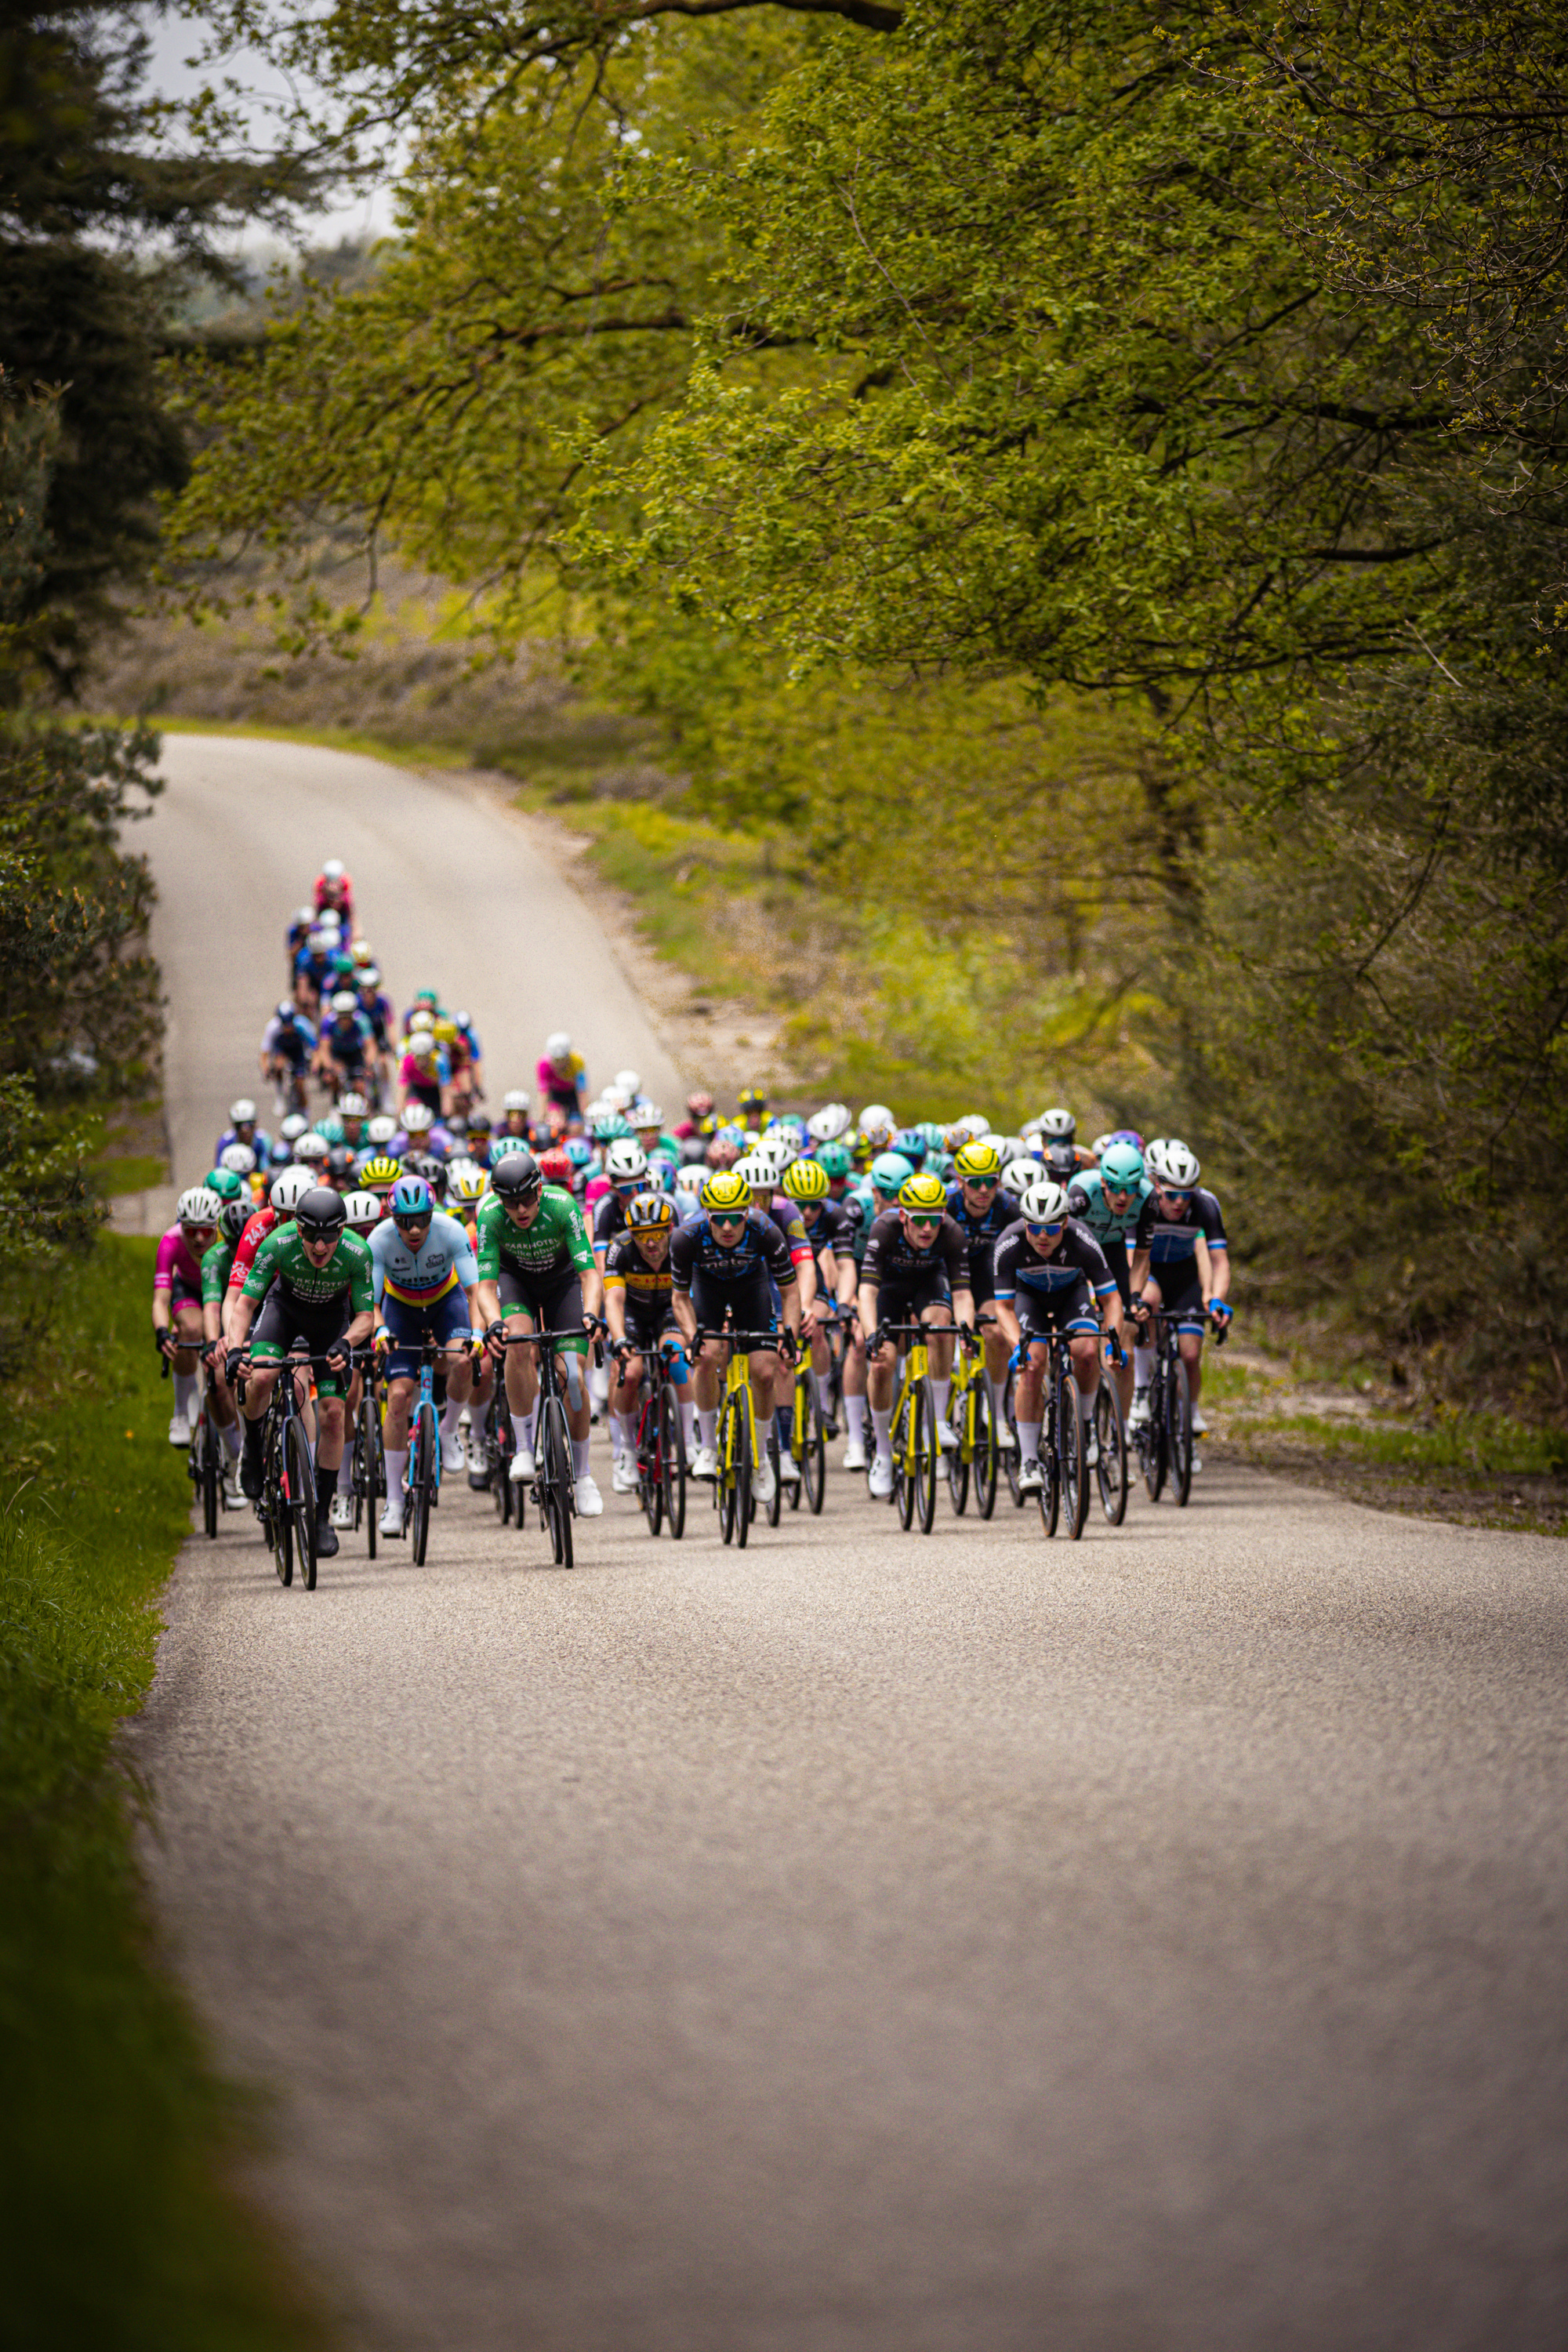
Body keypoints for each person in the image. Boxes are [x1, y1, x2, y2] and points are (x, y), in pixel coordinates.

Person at [228, 1185, 376, 1559]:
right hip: (285, 1310)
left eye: (329, 1237)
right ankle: (254, 1445)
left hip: (331, 1322)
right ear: (297, 1229)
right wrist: (233, 1348)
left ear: (342, 1232)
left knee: (333, 1413)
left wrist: (347, 1341)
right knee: (260, 1377)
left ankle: (321, 1516)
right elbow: (245, 1304)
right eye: (311, 1237)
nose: (321, 1247)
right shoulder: (277, 1244)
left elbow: (365, 1317)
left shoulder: (358, 1253)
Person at [474, 1149, 604, 1516]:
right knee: (516, 1344)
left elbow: (590, 1274)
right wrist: (493, 1321)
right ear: (500, 1200)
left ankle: (583, 1474)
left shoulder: (563, 1207)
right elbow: (485, 1287)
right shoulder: (490, 1217)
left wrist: (592, 1314)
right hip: (517, 1284)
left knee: (573, 1374)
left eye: (527, 1199)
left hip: (562, 1283)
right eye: (511, 1203)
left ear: (540, 1190)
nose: (521, 1210)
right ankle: (525, 1450)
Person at [669, 1168, 801, 1506]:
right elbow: (680, 1299)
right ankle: (710, 1448)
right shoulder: (686, 1236)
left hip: (750, 1288)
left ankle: (763, 1457)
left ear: (747, 1213)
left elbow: (789, 1292)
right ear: (707, 1215)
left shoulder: (766, 1230)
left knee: (766, 1371)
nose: (727, 1227)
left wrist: (789, 1335)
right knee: (708, 1355)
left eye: (735, 1218)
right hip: (707, 1288)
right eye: (719, 1219)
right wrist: (691, 1337)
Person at [368, 1175, 488, 1536]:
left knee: (464, 1360)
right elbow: (370, 1303)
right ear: (393, 1219)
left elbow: (475, 1291)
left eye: (422, 1219)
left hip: (444, 1302)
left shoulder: (450, 1231)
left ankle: (449, 1429)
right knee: (400, 1395)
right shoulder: (379, 1240)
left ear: (432, 1214)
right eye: (406, 1222)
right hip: (400, 1309)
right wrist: (380, 1330)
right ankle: (393, 1500)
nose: (415, 1229)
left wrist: (479, 1333)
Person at [990, 1175, 1123, 1490]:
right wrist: (1016, 1346)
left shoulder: (1082, 1239)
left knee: (1088, 1353)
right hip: (1028, 1298)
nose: (1042, 1236)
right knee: (1033, 1364)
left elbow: (1112, 1299)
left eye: (1051, 1228)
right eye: (1034, 1228)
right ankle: (1028, 1461)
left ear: (1065, 1223)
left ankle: (1086, 1426)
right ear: (1025, 1224)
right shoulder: (1009, 1243)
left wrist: (1113, 1341)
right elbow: (1003, 1309)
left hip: (1070, 1296)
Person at [857, 1171, 972, 1500]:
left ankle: (936, 1420)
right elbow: (867, 1291)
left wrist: (965, 1330)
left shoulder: (951, 1233)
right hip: (888, 1290)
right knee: (882, 1364)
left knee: (942, 1324)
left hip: (928, 1284)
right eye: (919, 1220)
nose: (927, 1229)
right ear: (904, 1215)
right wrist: (870, 1336)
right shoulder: (884, 1228)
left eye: (933, 1220)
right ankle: (881, 1452)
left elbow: (963, 1295)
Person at [1127, 1139, 1230, 1447]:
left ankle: (1191, 1415)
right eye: (1171, 1195)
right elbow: (1135, 1258)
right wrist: (1135, 1298)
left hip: (1185, 1276)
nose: (1178, 1204)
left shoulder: (1206, 1205)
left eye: (1186, 1196)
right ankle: (1143, 1388)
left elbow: (1219, 1260)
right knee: (1150, 1302)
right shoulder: (1143, 1203)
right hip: (1151, 1269)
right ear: (1157, 1185)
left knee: (1189, 1353)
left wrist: (1216, 1300)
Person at [602, 1192, 697, 1494]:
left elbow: (695, 1295)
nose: (651, 1243)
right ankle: (627, 1452)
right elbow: (613, 1300)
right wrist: (618, 1339)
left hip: (670, 1310)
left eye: (657, 1234)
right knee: (629, 1373)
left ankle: (690, 1443)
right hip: (632, 1312)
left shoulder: (683, 1245)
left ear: (670, 1229)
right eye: (642, 1236)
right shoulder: (620, 1248)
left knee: (678, 1358)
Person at [944, 1137, 1025, 1454]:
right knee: (941, 1328)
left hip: (985, 1271)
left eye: (990, 1182)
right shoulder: (947, 1204)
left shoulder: (1007, 1206)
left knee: (994, 1329)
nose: (983, 1191)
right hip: (946, 1269)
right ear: (961, 1182)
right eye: (975, 1183)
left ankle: (995, 1408)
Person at [1066, 1139, 1151, 1417]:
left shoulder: (1149, 1200)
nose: (1123, 1197)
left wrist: (1136, 1296)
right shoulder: (1081, 1193)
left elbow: (1140, 1257)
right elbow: (1062, 1243)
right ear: (1103, 1181)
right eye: (1115, 1187)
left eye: (1130, 1189)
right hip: (1078, 1251)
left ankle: (1120, 1426)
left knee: (1127, 1334)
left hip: (1113, 1251)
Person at [153, 1186, 223, 1445]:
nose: (199, 1239)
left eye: (206, 1230)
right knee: (191, 1330)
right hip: (189, 1291)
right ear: (180, 1226)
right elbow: (161, 1298)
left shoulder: (229, 1239)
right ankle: (181, 1412)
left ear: (217, 1226)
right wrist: (162, 1331)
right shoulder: (170, 1241)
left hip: (223, 1292)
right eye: (191, 1230)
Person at [260, 999, 317, 1113]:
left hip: (299, 1052)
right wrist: (265, 1069)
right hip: (282, 1050)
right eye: (284, 1024)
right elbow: (264, 1053)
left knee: (300, 1084)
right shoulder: (272, 1027)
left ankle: (304, 1110)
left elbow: (315, 1048)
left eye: (290, 1023)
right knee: (279, 1065)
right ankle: (280, 1095)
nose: (288, 1027)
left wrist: (315, 1065)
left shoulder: (303, 1025)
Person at [538, 1032, 587, 1124]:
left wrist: (584, 1115)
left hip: (572, 1094)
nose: (560, 1064)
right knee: (556, 1123)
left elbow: (582, 1091)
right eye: (556, 1060)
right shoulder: (543, 1065)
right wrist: (543, 1118)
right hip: (556, 1095)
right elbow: (544, 1093)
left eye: (563, 1059)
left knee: (576, 1125)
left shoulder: (577, 1061)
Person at [214, 1097, 274, 1167]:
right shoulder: (224, 1141)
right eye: (239, 1125)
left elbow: (267, 1168)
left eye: (249, 1124)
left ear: (256, 1124)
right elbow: (219, 1169)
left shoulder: (264, 1140)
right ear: (233, 1125)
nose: (244, 1130)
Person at [314, 857, 354, 931]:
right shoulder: (319, 884)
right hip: (324, 908)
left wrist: (355, 929)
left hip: (342, 912)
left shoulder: (346, 884)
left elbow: (350, 910)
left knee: (346, 928)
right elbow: (317, 906)